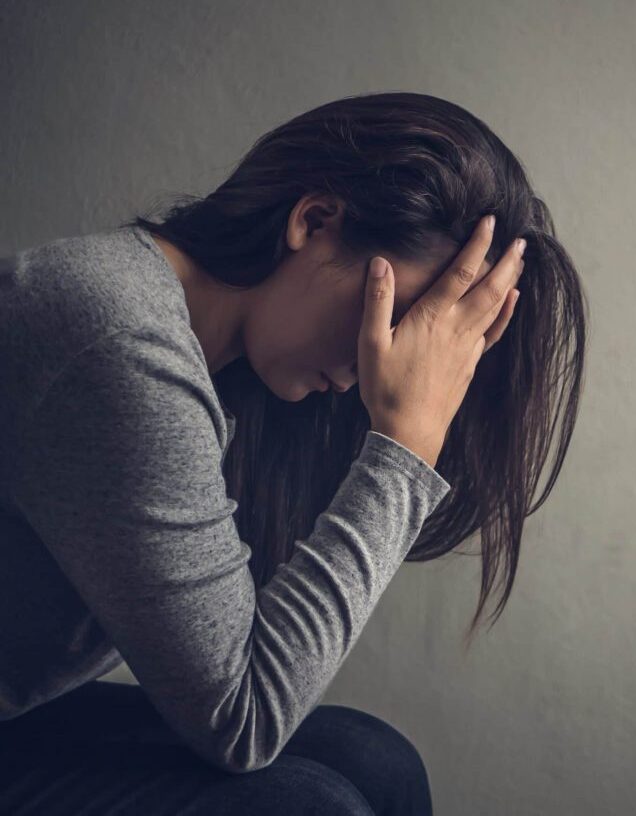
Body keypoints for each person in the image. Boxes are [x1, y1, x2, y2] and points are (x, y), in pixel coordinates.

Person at [0, 91, 587, 813]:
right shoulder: (121, 341)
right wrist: (406, 443)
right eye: (401, 319)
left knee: (373, 758)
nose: (385, 362)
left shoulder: (210, 367)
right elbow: (243, 721)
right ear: (313, 222)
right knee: (307, 804)